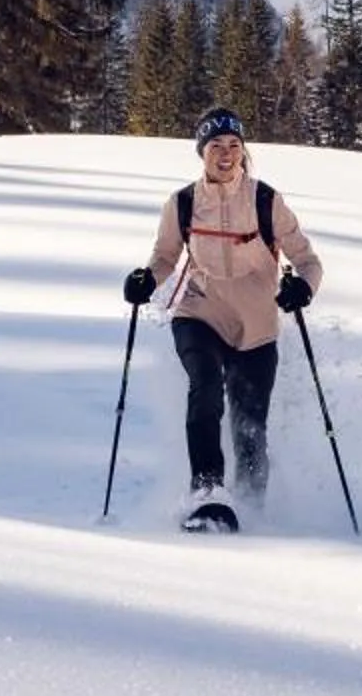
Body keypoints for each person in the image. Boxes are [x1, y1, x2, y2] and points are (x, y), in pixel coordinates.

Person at [123, 106, 321, 526]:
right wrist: (146, 279)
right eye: (216, 146)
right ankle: (206, 489)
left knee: (250, 429)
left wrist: (302, 287)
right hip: (200, 310)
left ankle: (249, 508)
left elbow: (307, 260)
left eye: (234, 145)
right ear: (202, 152)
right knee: (206, 385)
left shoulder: (265, 200)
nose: (226, 154)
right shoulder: (183, 204)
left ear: (244, 151)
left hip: (256, 326)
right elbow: (163, 257)